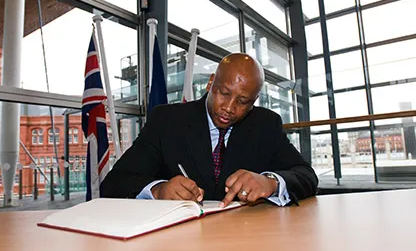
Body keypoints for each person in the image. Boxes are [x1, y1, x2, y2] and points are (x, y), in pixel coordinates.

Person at [101, 53, 318, 207]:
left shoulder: (266, 124)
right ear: (211, 82)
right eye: (224, 93)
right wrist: (158, 190)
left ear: (254, 101)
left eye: (243, 101)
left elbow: (306, 175)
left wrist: (270, 182)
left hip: (246, 241)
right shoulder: (167, 120)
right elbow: (114, 182)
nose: (229, 108)